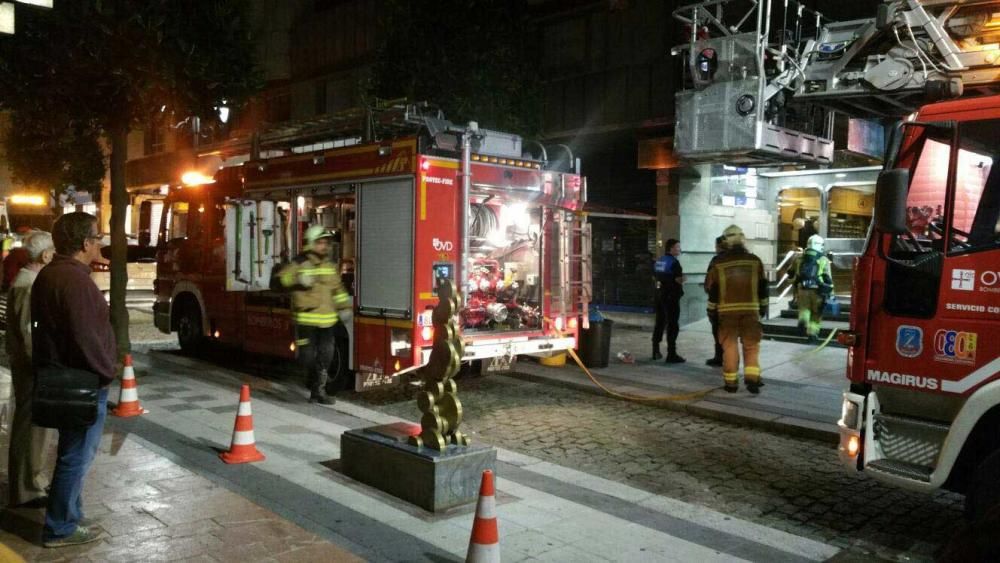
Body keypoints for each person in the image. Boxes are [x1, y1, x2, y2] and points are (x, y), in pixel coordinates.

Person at [31, 212, 116, 547]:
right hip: (81, 382)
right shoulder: (75, 281)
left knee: (71, 452)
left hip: (63, 377)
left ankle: (70, 516)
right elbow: (86, 337)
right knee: (75, 456)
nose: (100, 243)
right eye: (98, 237)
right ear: (85, 243)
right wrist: (106, 371)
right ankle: (60, 527)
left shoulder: (53, 274)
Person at [6, 230, 56, 509]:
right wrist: (42, 362)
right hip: (32, 368)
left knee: (33, 426)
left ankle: (31, 480)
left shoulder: (27, 281)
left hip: (28, 365)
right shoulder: (30, 285)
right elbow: (30, 330)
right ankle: (28, 487)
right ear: (46, 255)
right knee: (32, 427)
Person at [279, 225, 352, 404]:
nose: (324, 246)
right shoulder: (299, 262)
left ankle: (318, 392)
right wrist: (298, 279)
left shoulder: (329, 266)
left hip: (327, 321)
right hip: (306, 320)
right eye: (320, 243)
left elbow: (337, 288)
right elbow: (282, 279)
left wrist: (344, 307)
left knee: (326, 356)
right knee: (307, 358)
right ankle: (312, 383)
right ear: (311, 243)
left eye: (326, 243)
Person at [706, 225, 768, 393]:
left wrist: (711, 312)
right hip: (751, 311)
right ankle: (752, 379)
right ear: (743, 238)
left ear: (726, 241)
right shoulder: (755, 261)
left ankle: (731, 383)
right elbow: (763, 287)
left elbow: (712, 290)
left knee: (729, 347)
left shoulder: (719, 264)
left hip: (727, 313)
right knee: (752, 346)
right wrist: (763, 307)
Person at [791, 234, 833, 343]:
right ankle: (812, 335)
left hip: (803, 289)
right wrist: (831, 293)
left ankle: (803, 320)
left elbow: (791, 273)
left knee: (804, 309)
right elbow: (828, 277)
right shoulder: (824, 259)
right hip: (818, 290)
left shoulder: (799, 258)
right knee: (816, 314)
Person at [652, 238, 686, 363]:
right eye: (677, 247)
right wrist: (683, 279)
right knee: (672, 325)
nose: (679, 249)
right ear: (671, 248)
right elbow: (678, 279)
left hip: (660, 295)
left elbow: (655, 276)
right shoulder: (674, 263)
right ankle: (671, 354)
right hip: (671, 297)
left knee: (660, 323)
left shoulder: (659, 261)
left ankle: (655, 350)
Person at [703, 235, 726, 367]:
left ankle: (719, 357)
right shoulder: (738, 259)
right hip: (736, 302)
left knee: (717, 330)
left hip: (719, 303)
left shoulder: (716, 261)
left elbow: (710, 282)